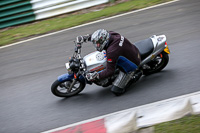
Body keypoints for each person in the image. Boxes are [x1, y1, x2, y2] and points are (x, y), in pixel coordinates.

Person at [76, 29, 142, 94]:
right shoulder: (110, 34)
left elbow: (110, 71)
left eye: (98, 44)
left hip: (133, 63)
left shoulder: (112, 51)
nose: (97, 45)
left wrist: (96, 76)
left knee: (116, 90)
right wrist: (84, 38)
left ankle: (133, 77)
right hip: (130, 50)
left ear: (104, 41)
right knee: (110, 61)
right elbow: (98, 37)